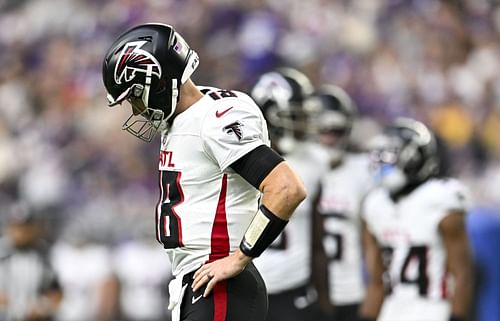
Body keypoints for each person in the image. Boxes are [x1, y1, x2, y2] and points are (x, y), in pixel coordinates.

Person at [102, 23, 307, 321]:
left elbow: (286, 188)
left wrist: (240, 257)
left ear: (158, 81)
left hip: (220, 284)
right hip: (200, 285)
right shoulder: (185, 119)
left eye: (135, 96)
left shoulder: (214, 119)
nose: (136, 110)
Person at [360, 118, 474, 321]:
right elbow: (377, 282)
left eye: (392, 155)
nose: (383, 162)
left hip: (434, 310)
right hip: (391, 311)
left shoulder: (440, 199)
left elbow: (463, 275)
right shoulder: (375, 204)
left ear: (415, 158)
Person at [250, 68, 328, 321]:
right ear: (270, 117)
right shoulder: (235, 158)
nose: (303, 124)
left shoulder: (313, 162)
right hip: (247, 289)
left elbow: (317, 242)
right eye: (295, 116)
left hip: (293, 290)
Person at [310, 85, 373, 321]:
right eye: (322, 129)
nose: (328, 137)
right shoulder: (296, 169)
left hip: (351, 291)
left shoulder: (364, 172)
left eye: (334, 130)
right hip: (307, 290)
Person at [0, 202, 62, 321]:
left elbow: (56, 293)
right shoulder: (2, 252)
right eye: (16, 226)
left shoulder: (46, 255)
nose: (20, 232)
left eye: (25, 227)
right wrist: (16, 307)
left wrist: (42, 307)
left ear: (35, 229)